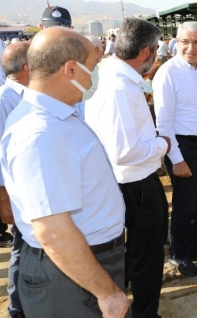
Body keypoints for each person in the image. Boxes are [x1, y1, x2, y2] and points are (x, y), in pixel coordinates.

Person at [0, 27, 129, 317]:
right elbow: (53, 232)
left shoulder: (57, 116)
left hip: (81, 264)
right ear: (71, 69)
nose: (94, 76)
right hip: (72, 271)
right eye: (92, 67)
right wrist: (107, 293)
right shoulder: (42, 133)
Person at [85, 18, 171, 317]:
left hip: (127, 181)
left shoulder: (110, 74)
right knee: (147, 254)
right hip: (134, 183)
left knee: (138, 250)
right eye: (156, 49)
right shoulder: (120, 87)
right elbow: (123, 151)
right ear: (146, 51)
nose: (157, 54)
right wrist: (161, 144)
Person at [152, 21, 197, 279]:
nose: (191, 48)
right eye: (185, 42)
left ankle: (196, 245)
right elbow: (163, 123)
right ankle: (179, 254)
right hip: (183, 146)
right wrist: (176, 159)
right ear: (177, 42)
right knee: (185, 205)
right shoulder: (168, 73)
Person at [0, 42, 29, 318]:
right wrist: (4, 200)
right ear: (27, 67)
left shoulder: (28, 95)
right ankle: (16, 308)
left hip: (29, 187)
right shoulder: (3, 101)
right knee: (22, 247)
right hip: (16, 192)